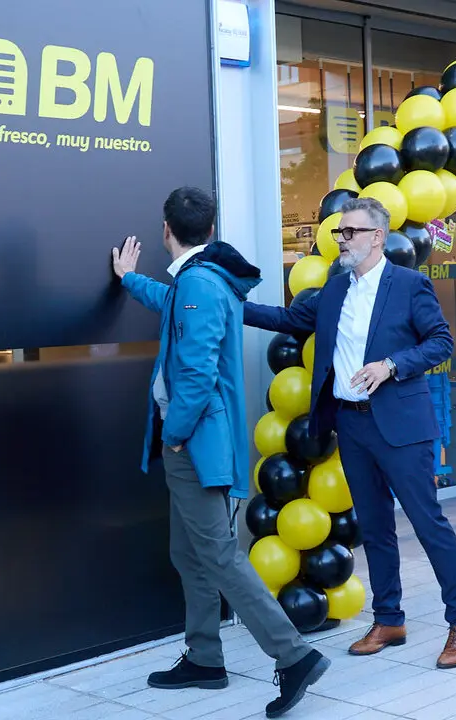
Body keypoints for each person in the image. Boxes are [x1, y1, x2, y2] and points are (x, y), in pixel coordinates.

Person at [110, 187, 329, 718]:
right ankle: (205, 658)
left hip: (197, 448)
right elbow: (170, 308)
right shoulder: (200, 282)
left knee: (222, 558)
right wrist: (129, 280)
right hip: (199, 446)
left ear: (167, 230)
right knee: (190, 554)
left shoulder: (199, 286)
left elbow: (198, 372)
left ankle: (294, 656)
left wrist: (177, 432)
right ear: (208, 230)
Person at [244, 196, 456, 669]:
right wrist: (231, 305)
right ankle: (389, 618)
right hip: (351, 423)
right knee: (373, 528)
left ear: (377, 237)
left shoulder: (409, 285)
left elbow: (441, 342)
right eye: (338, 233)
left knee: (429, 525)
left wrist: (392, 364)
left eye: (349, 232)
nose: (341, 240)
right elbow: (290, 320)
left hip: (402, 426)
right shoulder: (334, 290)